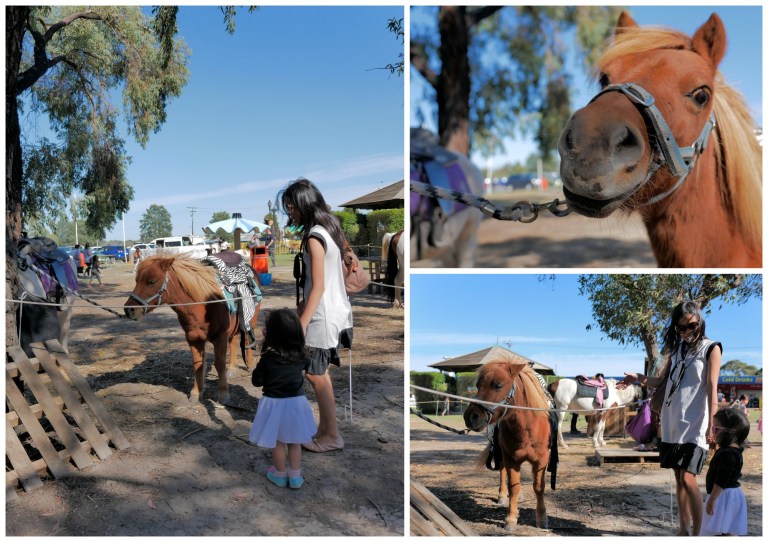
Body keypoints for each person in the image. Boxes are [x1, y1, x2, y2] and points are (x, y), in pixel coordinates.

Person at [618, 300, 721, 536]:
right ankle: (683, 530)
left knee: (688, 477)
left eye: (691, 326)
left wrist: (711, 424)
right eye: (680, 328)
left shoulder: (712, 348)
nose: (686, 332)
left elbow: (712, 386)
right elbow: (660, 382)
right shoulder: (675, 350)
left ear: (700, 321)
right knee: (678, 476)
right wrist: (639, 378)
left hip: (696, 423)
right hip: (671, 421)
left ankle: (698, 533)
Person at [279, 177, 352, 453]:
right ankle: (325, 429)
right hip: (332, 311)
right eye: (288, 207)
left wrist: (301, 323)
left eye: (292, 206)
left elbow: (318, 287)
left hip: (322, 315)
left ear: (304, 204)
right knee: (318, 374)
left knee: (315, 375)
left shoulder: (314, 237)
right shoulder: (328, 230)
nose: (290, 212)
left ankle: (332, 435)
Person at [248, 309, 316, 490]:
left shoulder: (268, 359)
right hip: (296, 403)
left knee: (277, 442)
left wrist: (266, 346)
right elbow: (308, 365)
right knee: (295, 441)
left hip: (274, 405)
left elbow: (256, 382)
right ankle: (295, 476)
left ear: (270, 334)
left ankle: (279, 474)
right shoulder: (302, 357)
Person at [700, 407, 750, 536]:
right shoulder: (731, 451)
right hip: (725, 495)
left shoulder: (728, 455)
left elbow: (722, 480)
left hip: (723, 496)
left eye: (716, 429)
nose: (713, 433)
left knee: (721, 530)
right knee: (725, 528)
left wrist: (712, 499)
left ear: (730, 433)